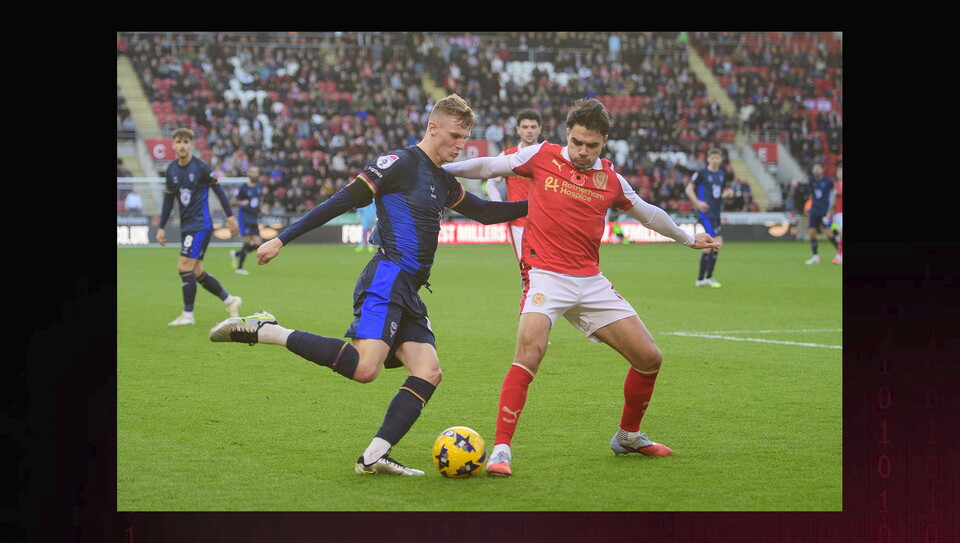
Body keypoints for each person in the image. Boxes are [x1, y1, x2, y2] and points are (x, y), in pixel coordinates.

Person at [208, 94, 527, 476]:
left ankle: (374, 455)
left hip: (410, 290)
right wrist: (282, 238)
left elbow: (487, 212)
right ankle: (268, 330)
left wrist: (542, 205)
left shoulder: (444, 180)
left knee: (428, 371)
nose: (460, 146)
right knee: (365, 368)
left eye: (465, 138)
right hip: (387, 278)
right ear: (433, 127)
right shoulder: (398, 164)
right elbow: (342, 200)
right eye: (455, 136)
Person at [442, 98, 719, 477]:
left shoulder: (611, 179)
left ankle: (628, 436)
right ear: (566, 135)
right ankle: (502, 450)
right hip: (545, 276)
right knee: (530, 353)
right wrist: (438, 164)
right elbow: (489, 165)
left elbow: (649, 213)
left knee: (649, 358)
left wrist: (688, 239)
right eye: (576, 143)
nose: (583, 152)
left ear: (604, 141)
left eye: (591, 145)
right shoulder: (541, 155)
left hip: (590, 282)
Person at [156, 127, 242, 326]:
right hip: (187, 226)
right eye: (179, 142)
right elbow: (168, 201)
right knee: (196, 272)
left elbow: (219, 191)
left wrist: (230, 216)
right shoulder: (171, 170)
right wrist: (161, 226)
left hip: (201, 225)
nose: (182, 145)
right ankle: (230, 301)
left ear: (191, 144)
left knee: (183, 266)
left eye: (186, 142)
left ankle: (188, 315)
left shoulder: (201, 167)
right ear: (173, 144)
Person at [484, 109, 542, 265]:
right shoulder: (508, 156)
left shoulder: (548, 154)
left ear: (540, 129)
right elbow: (491, 184)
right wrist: (501, 207)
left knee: (551, 268)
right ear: (518, 129)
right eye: (525, 127)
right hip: (518, 223)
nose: (529, 130)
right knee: (526, 266)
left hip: (546, 221)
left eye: (533, 126)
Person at [684, 148, 729, 288]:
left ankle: (706, 278)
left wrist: (726, 194)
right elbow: (689, 188)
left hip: (716, 213)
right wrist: (697, 202)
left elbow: (720, 193)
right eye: (713, 157)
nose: (715, 160)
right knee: (713, 242)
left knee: (716, 245)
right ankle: (702, 279)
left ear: (721, 159)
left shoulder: (722, 174)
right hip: (706, 213)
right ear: (708, 159)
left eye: (717, 158)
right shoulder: (702, 173)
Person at [793, 163, 838, 264]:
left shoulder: (828, 181)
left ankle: (840, 254)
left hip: (824, 211)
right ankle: (815, 257)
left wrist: (831, 210)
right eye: (815, 168)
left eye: (818, 168)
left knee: (829, 234)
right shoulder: (811, 180)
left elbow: (835, 190)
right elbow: (801, 180)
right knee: (812, 233)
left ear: (822, 170)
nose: (816, 170)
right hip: (814, 210)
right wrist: (795, 181)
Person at [230, 166, 264, 275]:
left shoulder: (259, 186)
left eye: (256, 172)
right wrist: (241, 203)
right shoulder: (243, 187)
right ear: (248, 174)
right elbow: (232, 202)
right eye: (252, 172)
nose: (254, 174)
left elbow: (260, 199)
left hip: (254, 217)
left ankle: (237, 254)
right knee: (247, 242)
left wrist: (261, 208)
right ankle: (240, 268)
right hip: (244, 217)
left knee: (258, 244)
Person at [828, 162, 842, 265]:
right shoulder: (837, 184)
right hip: (838, 214)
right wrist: (830, 211)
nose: (840, 173)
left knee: (841, 234)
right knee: (834, 232)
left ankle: (838, 256)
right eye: (838, 171)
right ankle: (839, 255)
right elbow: (835, 198)